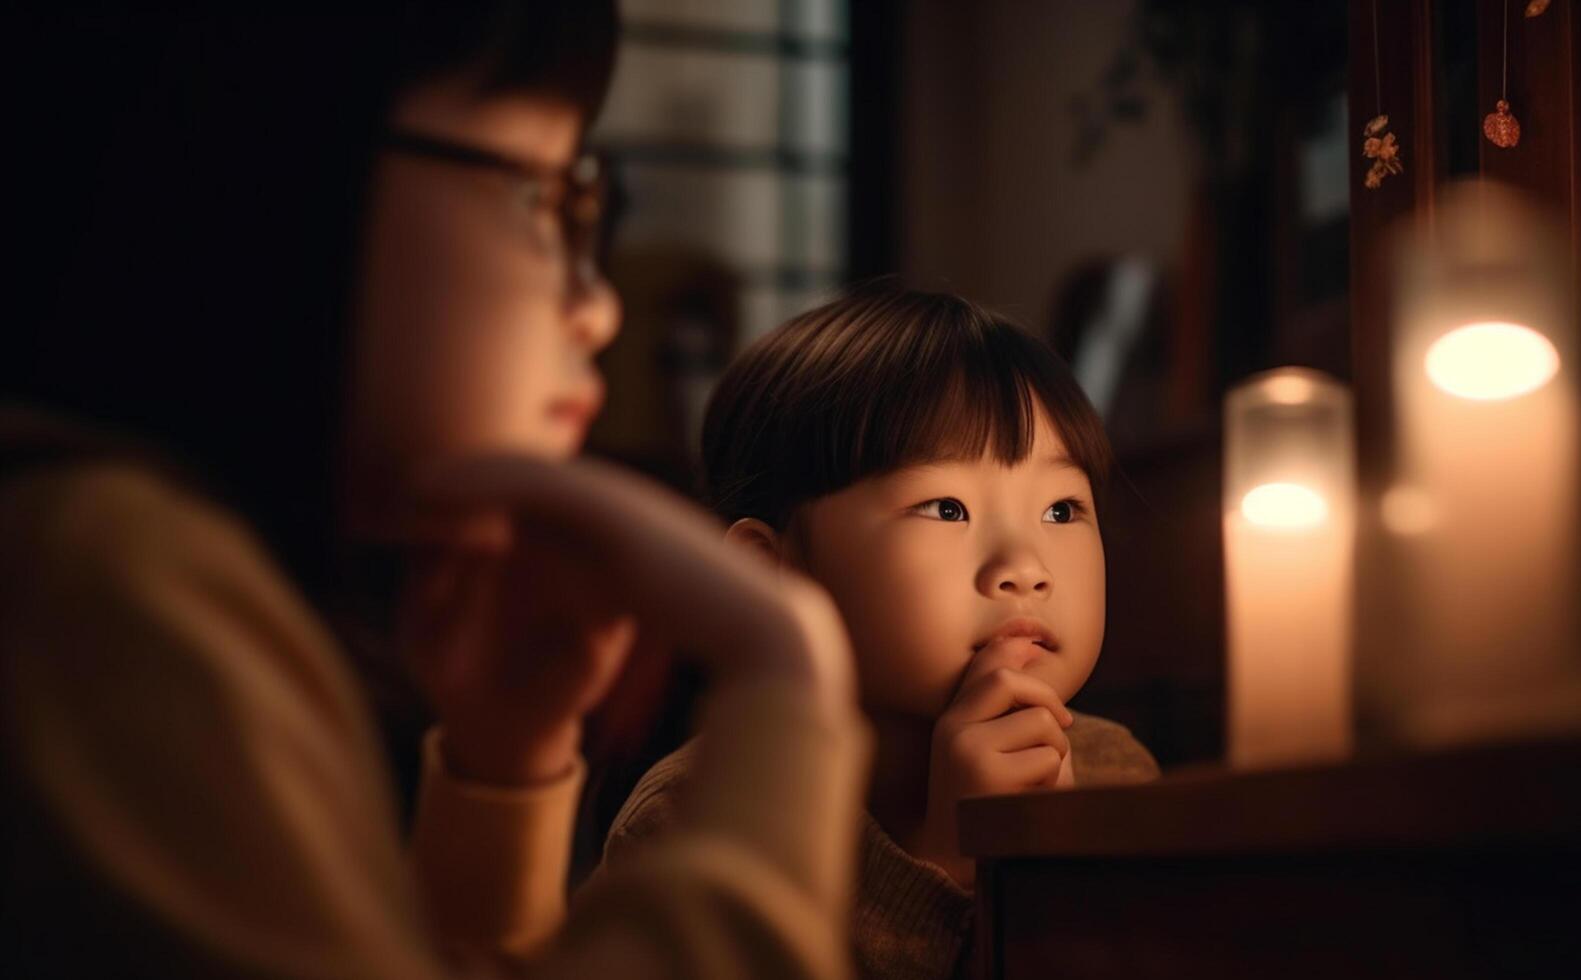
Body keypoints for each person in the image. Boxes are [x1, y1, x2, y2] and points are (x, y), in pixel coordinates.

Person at [0, 5, 868, 977]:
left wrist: (504, 762)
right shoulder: (102, 576)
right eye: (547, 198)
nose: (599, 303)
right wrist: (784, 682)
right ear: (280, 160)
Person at [603, 287, 1160, 980]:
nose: (1024, 568)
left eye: (1061, 509)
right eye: (946, 507)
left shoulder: (1117, 775)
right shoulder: (696, 827)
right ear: (771, 577)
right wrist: (946, 867)